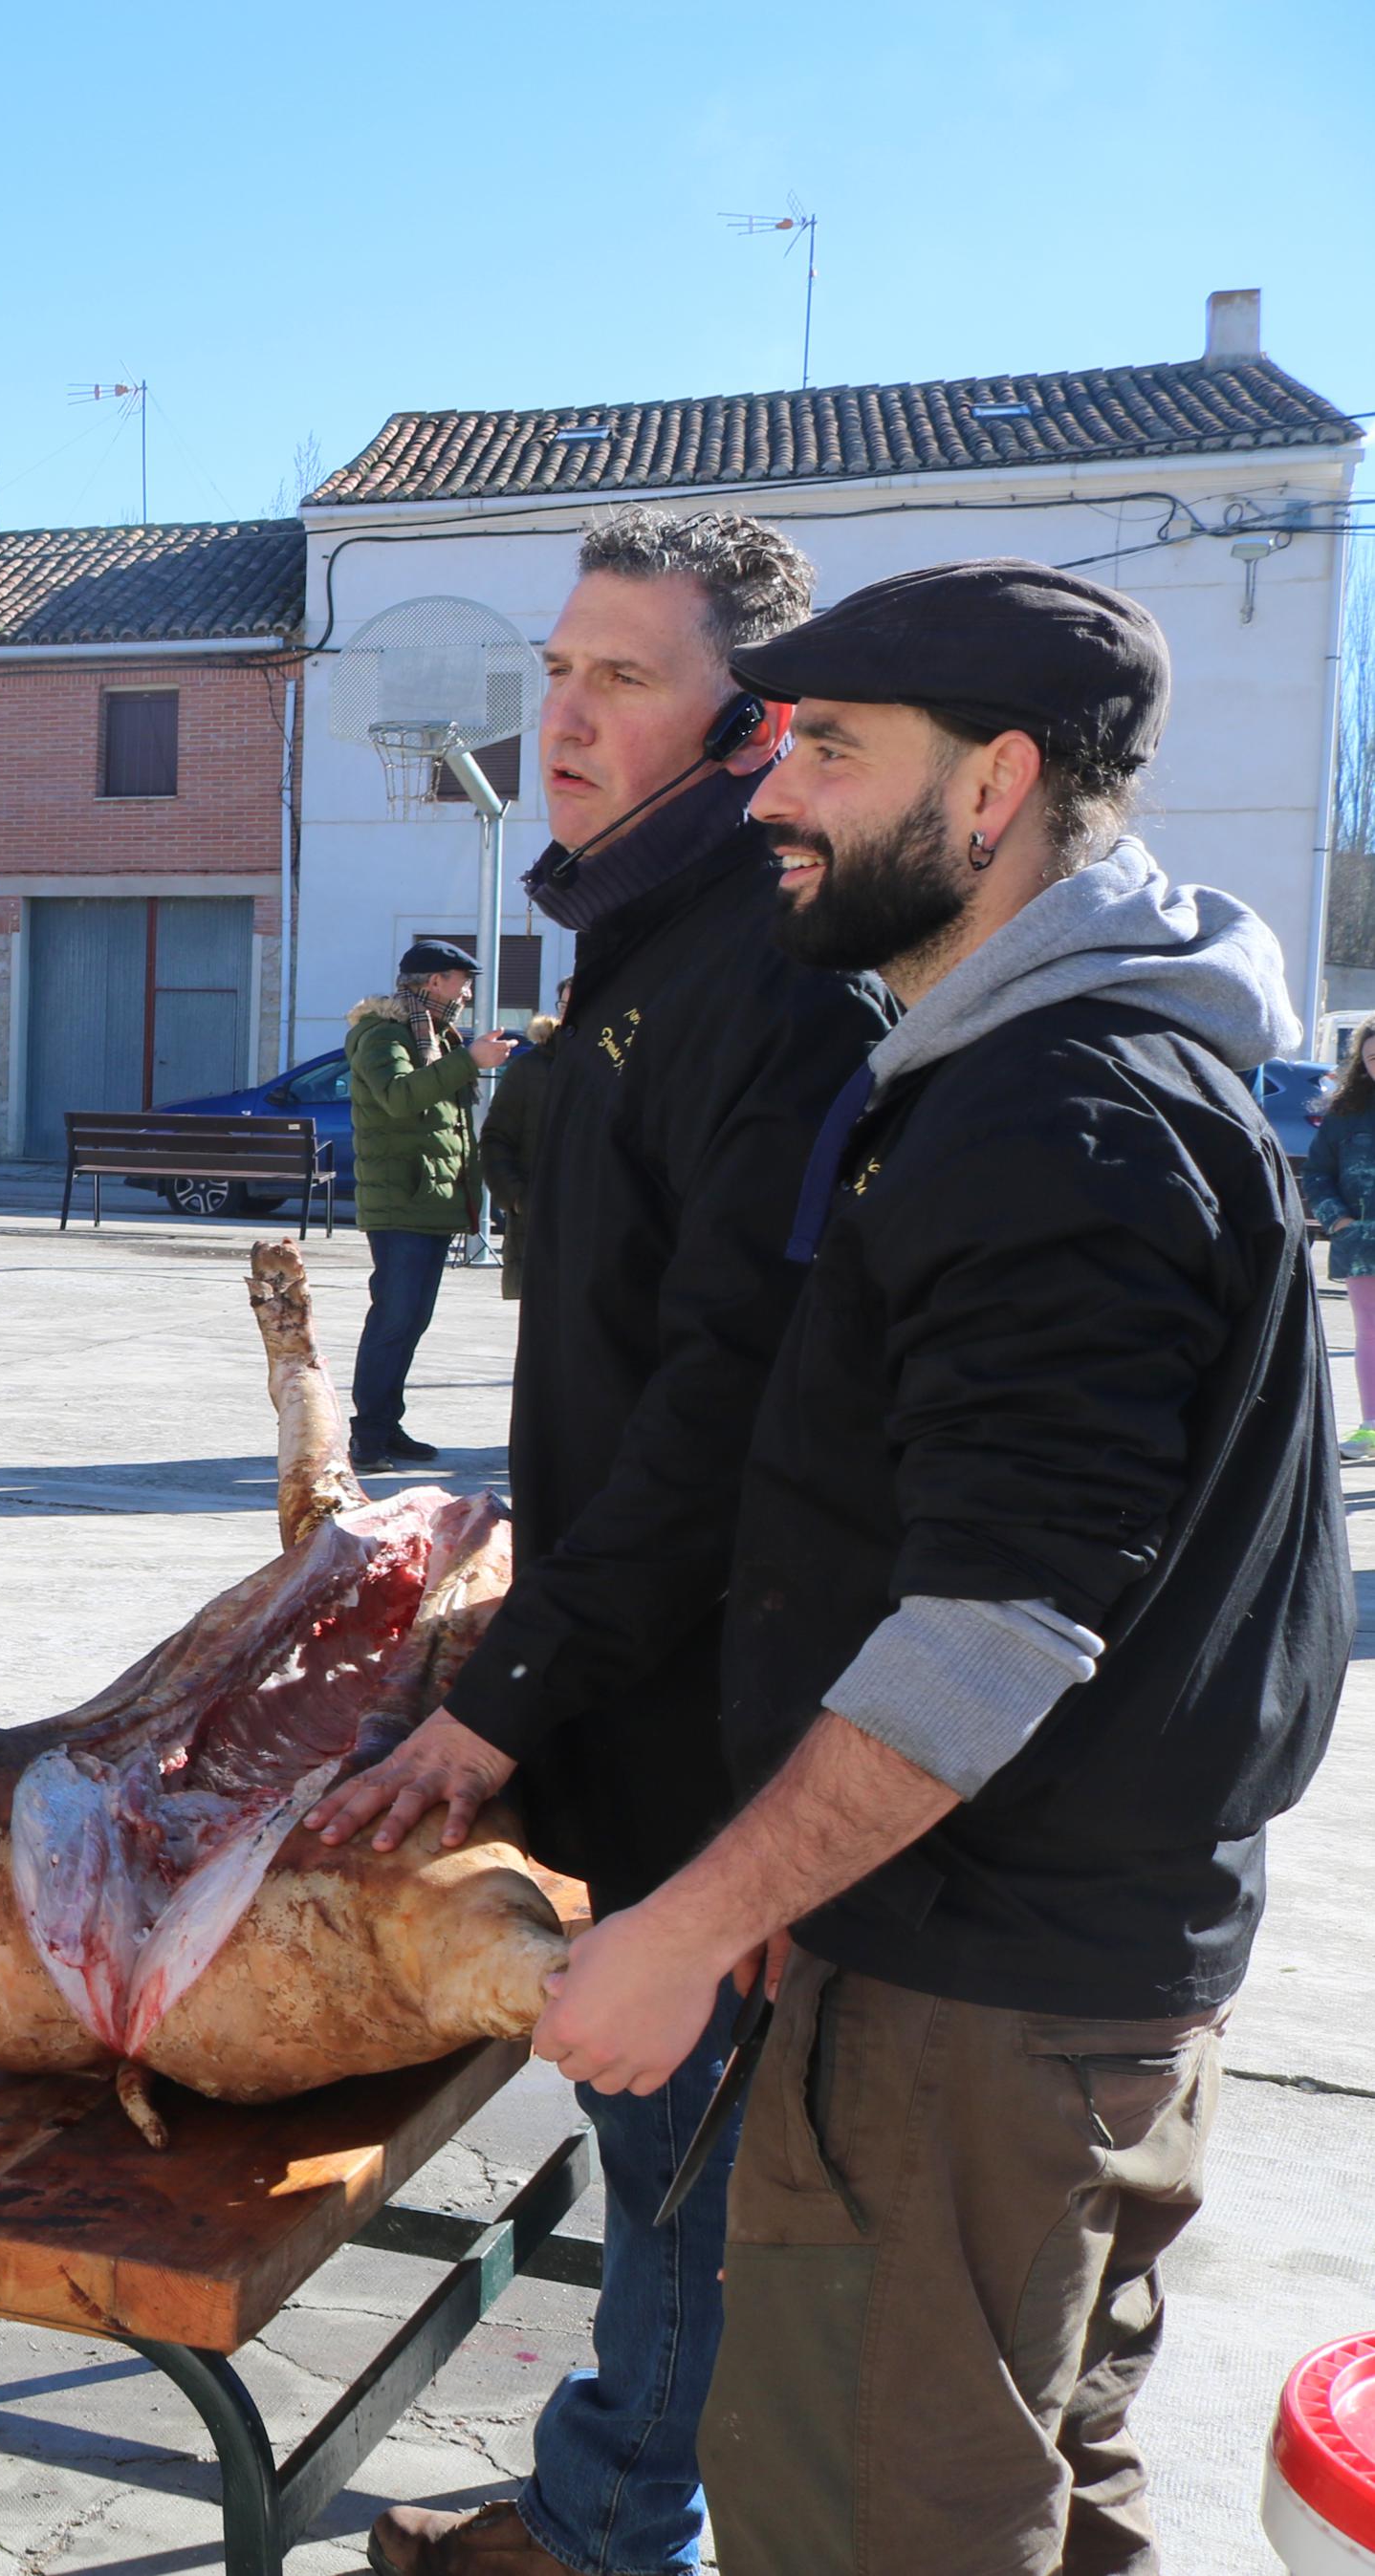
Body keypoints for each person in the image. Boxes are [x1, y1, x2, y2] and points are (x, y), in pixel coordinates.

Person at [524, 562, 1344, 2572]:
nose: (770, 794)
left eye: (824, 749)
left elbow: (990, 1631)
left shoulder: (1056, 1119)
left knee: (875, 2522)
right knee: (1028, 2500)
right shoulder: (996, 1078)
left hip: (980, 2011)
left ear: (989, 789)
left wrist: (688, 1917)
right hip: (1038, 1974)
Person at [309, 510, 888, 2576]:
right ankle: (616, 2495)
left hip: (713, 1701)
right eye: (556, 667)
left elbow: (723, 1403)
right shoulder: (642, 940)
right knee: (662, 2153)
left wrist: (509, 1691)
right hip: (620, 1647)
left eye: (616, 676)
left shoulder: (773, 980)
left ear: (750, 731)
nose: (556, 712)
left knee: (682, 2158)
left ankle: (603, 2531)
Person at [342, 939, 515, 1469]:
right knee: (394, 1319)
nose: (466, 993)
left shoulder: (432, 1035)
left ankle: (386, 1423)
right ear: (434, 982)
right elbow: (398, 1097)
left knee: (411, 1318)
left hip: (429, 1202)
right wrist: (469, 1061)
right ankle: (367, 1435)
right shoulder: (383, 1035)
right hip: (402, 1203)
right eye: (461, 981)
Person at [1299, 1018, 1375, 1463]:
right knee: (1369, 1333)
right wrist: (1339, 1221)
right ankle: (1370, 1428)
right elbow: (1316, 1173)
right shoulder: (1343, 1114)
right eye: (1369, 1059)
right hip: (1361, 1243)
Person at [472, 982, 563, 1304]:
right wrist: (517, 1198)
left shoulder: (622, 1064)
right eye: (564, 1004)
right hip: (538, 1225)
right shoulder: (531, 1068)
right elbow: (496, 1138)